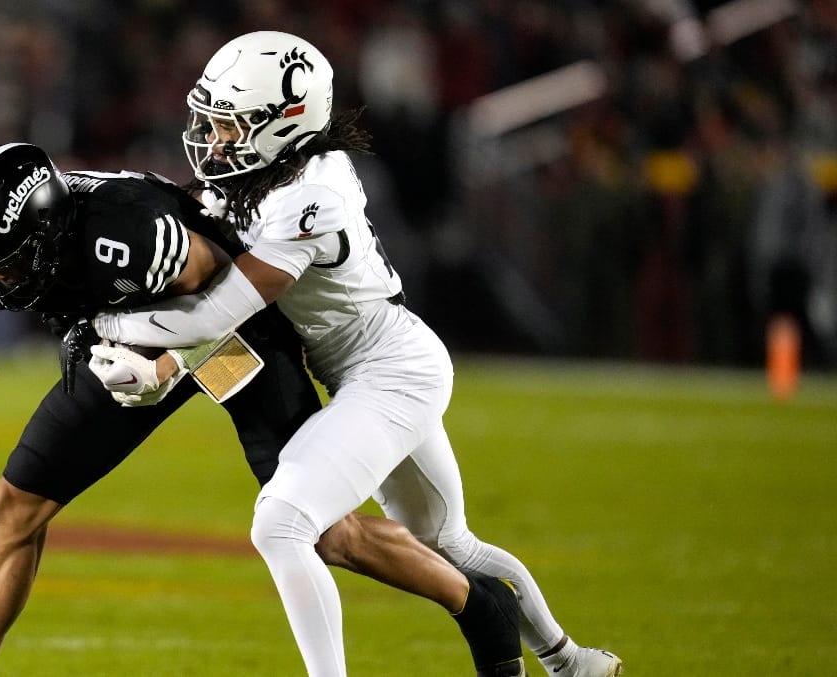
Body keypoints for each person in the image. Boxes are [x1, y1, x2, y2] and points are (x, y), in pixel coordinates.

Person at [89, 31, 623, 677]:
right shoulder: (270, 174)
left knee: (282, 523)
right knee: (447, 542)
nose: (215, 140)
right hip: (371, 364)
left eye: (232, 125)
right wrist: (170, 361)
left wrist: (104, 319)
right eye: (215, 121)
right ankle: (571, 662)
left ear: (283, 124)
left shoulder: (309, 198)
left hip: (389, 370)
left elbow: (218, 313)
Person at [0, 142, 524, 676]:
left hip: (238, 339)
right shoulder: (52, 233)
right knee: (15, 504)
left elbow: (218, 301)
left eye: (7, 262)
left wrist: (163, 368)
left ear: (49, 229)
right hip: (136, 333)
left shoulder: (126, 235)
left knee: (323, 531)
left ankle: (477, 603)